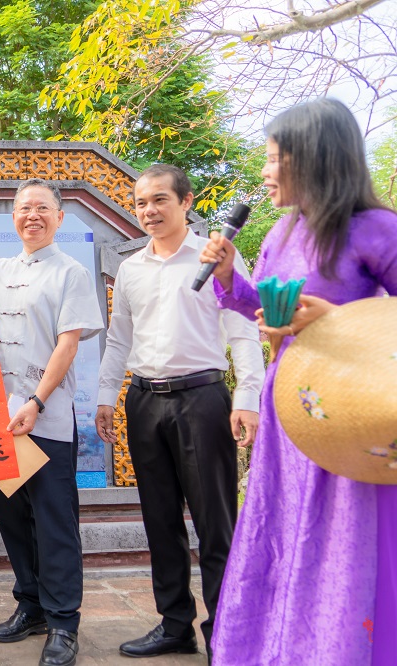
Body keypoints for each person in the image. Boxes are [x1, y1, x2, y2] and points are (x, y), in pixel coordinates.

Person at [200, 98, 397, 666]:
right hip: (289, 414)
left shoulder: (377, 229)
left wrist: (334, 321)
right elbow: (264, 306)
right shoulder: (282, 232)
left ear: (314, 158)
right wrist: (227, 275)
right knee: (283, 535)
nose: (264, 172)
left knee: (342, 545)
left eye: (272, 159)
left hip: (347, 416)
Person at [0, 179, 105, 666]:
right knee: (12, 518)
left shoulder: (70, 273)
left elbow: (68, 344)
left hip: (45, 419)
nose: (33, 216)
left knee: (54, 522)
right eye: (25, 208)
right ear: (13, 218)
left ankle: (63, 622)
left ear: (59, 217)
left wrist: (37, 400)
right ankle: (30, 606)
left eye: (42, 208)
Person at [95, 164, 264, 660]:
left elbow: (243, 332)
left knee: (215, 522)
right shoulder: (131, 268)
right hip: (144, 401)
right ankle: (174, 624)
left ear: (186, 202)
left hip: (202, 400)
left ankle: (226, 632)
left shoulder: (216, 256)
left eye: (160, 200)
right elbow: (119, 338)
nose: (149, 210)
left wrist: (247, 398)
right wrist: (106, 395)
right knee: (159, 519)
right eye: (141, 202)